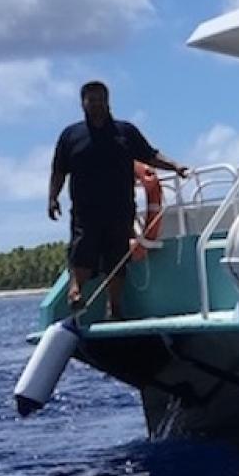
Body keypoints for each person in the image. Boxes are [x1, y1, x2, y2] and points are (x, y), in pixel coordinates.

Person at [48, 80, 189, 321]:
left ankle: (114, 308)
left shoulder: (125, 132)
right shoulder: (71, 135)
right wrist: (52, 198)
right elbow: (59, 170)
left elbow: (150, 155)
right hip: (86, 209)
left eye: (100, 99)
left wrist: (175, 166)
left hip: (120, 208)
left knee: (116, 257)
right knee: (82, 250)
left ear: (108, 101)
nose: (96, 104)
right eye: (91, 100)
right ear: (83, 103)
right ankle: (75, 293)